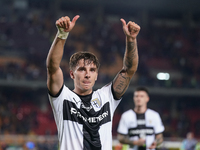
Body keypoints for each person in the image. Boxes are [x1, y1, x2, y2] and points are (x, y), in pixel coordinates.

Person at [46, 15, 140, 150]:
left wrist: (131, 40)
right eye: (82, 69)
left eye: (92, 70)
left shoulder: (107, 97)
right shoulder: (63, 98)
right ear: (72, 74)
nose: (87, 74)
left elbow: (129, 70)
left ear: (96, 75)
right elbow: (52, 67)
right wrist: (62, 34)